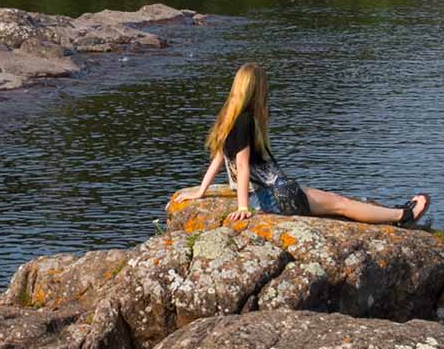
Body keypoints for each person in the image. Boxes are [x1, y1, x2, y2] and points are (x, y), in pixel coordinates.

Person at [172, 62, 428, 226]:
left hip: (269, 194)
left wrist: (201, 191)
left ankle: (395, 212)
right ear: (257, 90)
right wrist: (242, 207)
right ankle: (403, 216)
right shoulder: (246, 120)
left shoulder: (228, 117)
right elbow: (242, 165)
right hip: (273, 196)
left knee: (334, 203)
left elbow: (219, 157)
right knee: (342, 205)